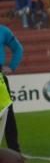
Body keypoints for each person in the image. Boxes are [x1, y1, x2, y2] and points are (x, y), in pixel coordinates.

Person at [1, 25, 24, 154]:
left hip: (0, 79)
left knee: (7, 115)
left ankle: (14, 151)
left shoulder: (3, 31)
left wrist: (12, 66)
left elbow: (18, 49)